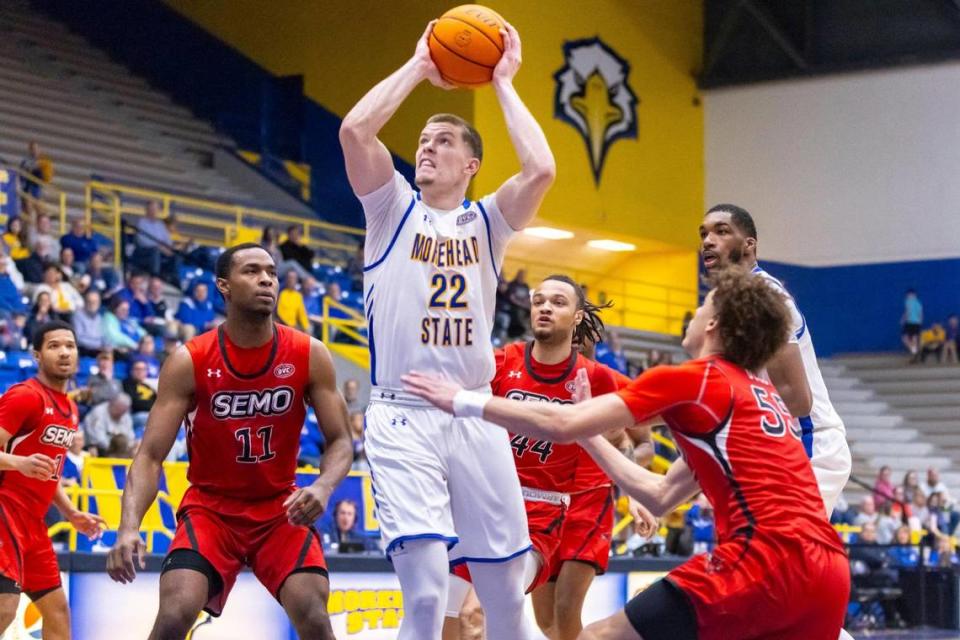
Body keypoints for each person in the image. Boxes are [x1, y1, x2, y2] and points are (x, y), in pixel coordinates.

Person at [403, 269, 850, 640]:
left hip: (765, 557)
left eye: (700, 309)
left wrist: (460, 399)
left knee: (597, 636)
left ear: (713, 325)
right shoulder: (758, 394)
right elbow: (659, 495)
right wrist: (590, 433)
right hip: (830, 569)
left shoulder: (694, 379)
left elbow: (561, 424)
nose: (691, 317)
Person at [340, 15, 555, 639]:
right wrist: (419, 66)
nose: (427, 146)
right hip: (403, 414)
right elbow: (356, 130)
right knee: (429, 595)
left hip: (474, 413)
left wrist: (503, 83)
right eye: (423, 139)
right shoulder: (390, 208)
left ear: (472, 165)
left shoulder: (487, 223)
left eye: (443, 141)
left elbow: (540, 170)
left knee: (506, 597)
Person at [106, 244, 353, 640]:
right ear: (223, 285)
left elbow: (341, 440)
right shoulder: (191, 359)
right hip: (211, 509)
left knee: (314, 616)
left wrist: (323, 486)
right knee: (173, 616)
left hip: (280, 509)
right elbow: (150, 456)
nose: (267, 279)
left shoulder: (310, 353)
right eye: (252, 271)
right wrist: (128, 527)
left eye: (271, 272)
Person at [445, 275, 626, 640]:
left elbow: (654, 414)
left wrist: (635, 493)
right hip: (481, 504)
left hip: (541, 513)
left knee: (478, 612)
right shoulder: (499, 363)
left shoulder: (597, 378)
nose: (545, 307)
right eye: (538, 300)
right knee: (446, 620)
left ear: (577, 316)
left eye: (558, 302)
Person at [699, 205, 851, 517]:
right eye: (704, 234)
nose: (708, 240)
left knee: (773, 556)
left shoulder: (765, 296)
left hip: (808, 443)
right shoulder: (730, 303)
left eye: (721, 231)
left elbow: (797, 400)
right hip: (778, 442)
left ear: (749, 244)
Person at [0, 320, 104, 637]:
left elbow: (50, 472)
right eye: (54, 346)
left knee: (58, 613)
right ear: (36, 355)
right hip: (5, 514)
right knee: (5, 607)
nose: (64, 353)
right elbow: (27, 463)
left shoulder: (70, 409)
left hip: (34, 524)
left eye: (70, 346)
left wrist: (71, 512)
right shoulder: (25, 396)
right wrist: (19, 462)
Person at [122, 360, 156, 436]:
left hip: (151, 413)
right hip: (137, 415)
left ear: (146, 372)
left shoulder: (148, 386)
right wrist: (154, 407)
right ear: (132, 371)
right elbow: (135, 403)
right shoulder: (127, 384)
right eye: (137, 369)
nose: (140, 371)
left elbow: (159, 401)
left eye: (143, 369)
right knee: (147, 418)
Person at [73, 290, 106, 357]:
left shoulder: (100, 317)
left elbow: (104, 336)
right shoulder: (77, 315)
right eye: (89, 301)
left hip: (100, 351)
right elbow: (78, 338)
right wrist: (97, 346)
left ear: (99, 303)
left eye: (95, 302)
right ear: (85, 302)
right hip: (84, 352)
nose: (92, 304)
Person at [901, 289, 923, 359]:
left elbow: (908, 312)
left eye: (910, 295)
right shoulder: (918, 303)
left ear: (914, 295)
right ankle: (915, 352)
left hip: (910, 323)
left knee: (906, 338)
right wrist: (920, 322)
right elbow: (921, 314)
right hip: (916, 323)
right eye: (908, 295)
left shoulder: (908, 302)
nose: (909, 296)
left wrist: (903, 319)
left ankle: (914, 352)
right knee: (913, 339)